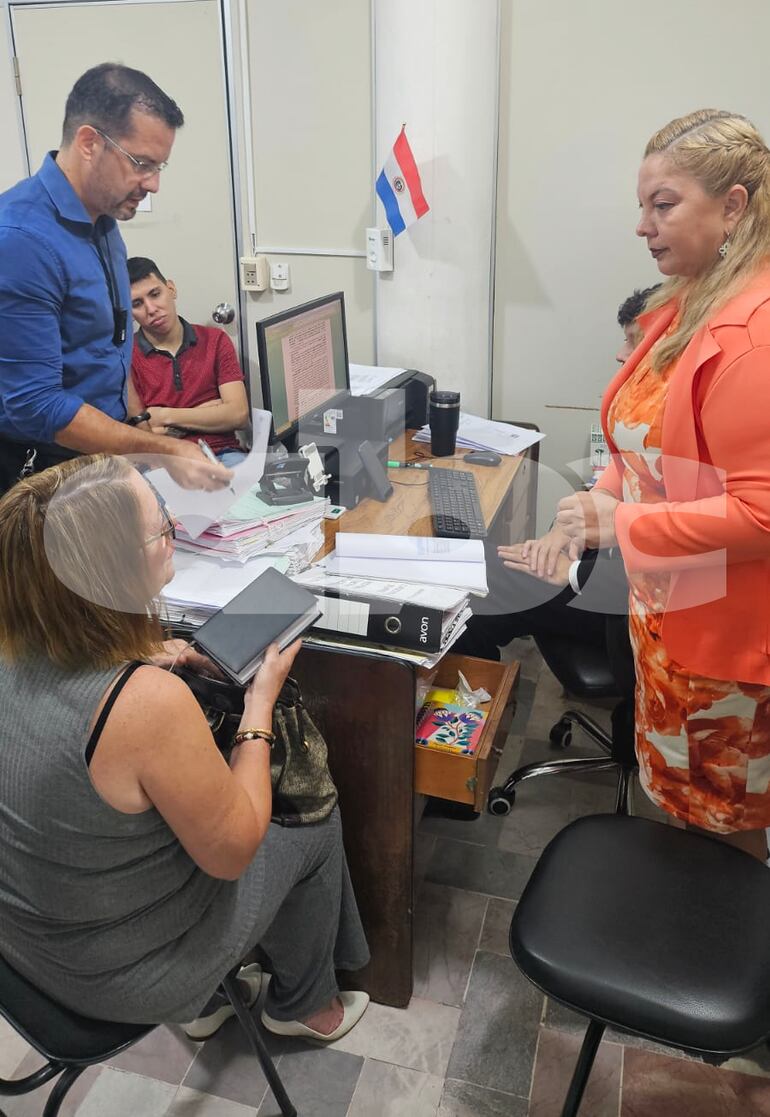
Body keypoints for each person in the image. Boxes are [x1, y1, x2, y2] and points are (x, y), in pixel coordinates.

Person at [0, 455, 370, 1038]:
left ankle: (216, 1003)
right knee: (312, 824)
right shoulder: (144, 704)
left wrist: (140, 657)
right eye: (161, 528)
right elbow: (233, 853)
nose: (174, 533)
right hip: (115, 977)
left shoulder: (18, 643)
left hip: (21, 948)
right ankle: (303, 1006)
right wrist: (260, 706)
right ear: (113, 570)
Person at [555, 109, 770, 861]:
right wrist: (611, 488)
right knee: (682, 811)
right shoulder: (685, 302)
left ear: (733, 207)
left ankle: (722, 969)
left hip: (722, 640)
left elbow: (761, 512)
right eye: (641, 206)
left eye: (664, 204)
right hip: (669, 614)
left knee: (722, 825)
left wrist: (624, 524)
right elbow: (640, 438)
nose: (643, 226)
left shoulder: (752, 334)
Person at [0, 63, 228, 493]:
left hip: (99, 457)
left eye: (160, 166)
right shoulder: (21, 240)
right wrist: (159, 450)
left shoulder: (103, 218)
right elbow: (37, 406)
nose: (154, 184)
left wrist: (138, 428)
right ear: (89, 143)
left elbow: (108, 345)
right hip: (43, 474)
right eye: (142, 163)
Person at [127, 256, 249, 467]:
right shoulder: (127, 357)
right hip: (166, 464)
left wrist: (164, 416)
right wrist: (209, 413)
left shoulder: (215, 340)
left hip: (224, 454)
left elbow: (237, 415)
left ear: (171, 289)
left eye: (155, 294)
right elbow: (140, 438)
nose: (151, 309)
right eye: (137, 304)